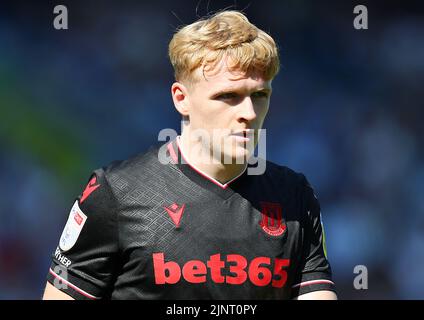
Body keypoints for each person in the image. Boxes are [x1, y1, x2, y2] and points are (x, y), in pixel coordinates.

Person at [42, 10, 336, 300]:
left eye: (260, 96)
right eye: (228, 96)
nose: (248, 113)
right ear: (181, 99)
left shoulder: (294, 197)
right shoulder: (115, 194)